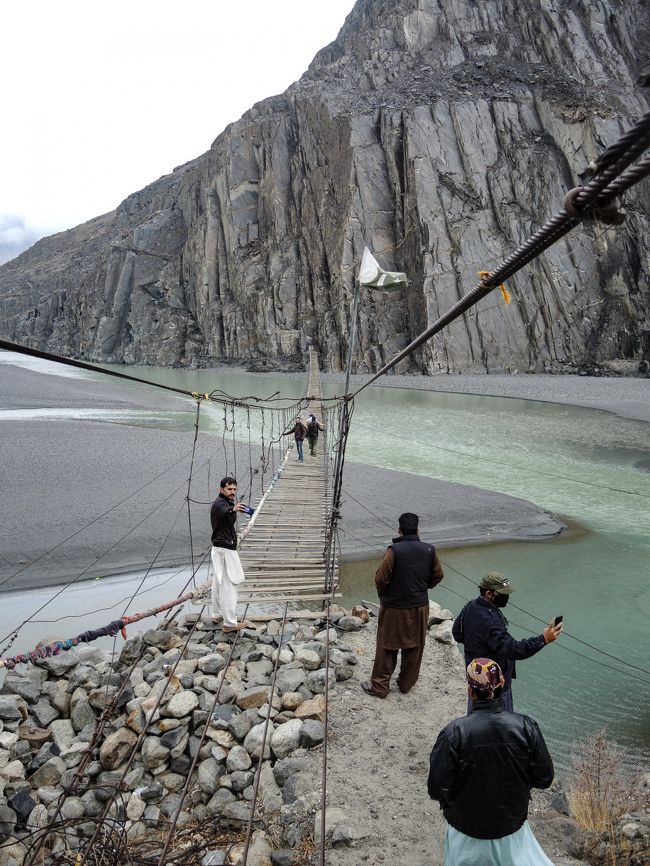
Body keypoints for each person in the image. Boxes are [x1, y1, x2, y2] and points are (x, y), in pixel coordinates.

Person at [428, 658, 555, 866]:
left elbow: (436, 789)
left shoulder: (453, 732)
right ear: (502, 683)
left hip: (465, 830)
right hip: (511, 828)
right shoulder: (526, 726)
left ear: (470, 691)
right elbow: (544, 779)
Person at [452, 571, 562, 711]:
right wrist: (543, 639)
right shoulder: (490, 621)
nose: (506, 597)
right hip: (495, 683)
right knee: (501, 724)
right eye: (502, 594)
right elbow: (513, 649)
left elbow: (457, 633)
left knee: (475, 718)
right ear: (489, 593)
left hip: (475, 677)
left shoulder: (470, 606)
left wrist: (477, 646)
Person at [361, 512, 443, 698]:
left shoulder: (394, 550)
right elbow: (438, 575)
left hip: (394, 607)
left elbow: (381, 578)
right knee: (415, 645)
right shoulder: (429, 550)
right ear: (418, 529)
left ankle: (380, 687)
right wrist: (424, 587)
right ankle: (406, 684)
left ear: (399, 529)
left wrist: (384, 594)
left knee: (387, 646)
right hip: (419, 607)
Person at [210, 476, 252, 633]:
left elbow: (225, 512)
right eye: (229, 489)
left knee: (218, 581)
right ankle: (229, 623)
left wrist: (234, 508)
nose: (232, 492)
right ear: (221, 489)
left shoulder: (226, 502)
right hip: (225, 549)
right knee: (230, 584)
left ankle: (216, 614)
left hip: (219, 548)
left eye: (234, 489)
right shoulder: (221, 504)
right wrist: (232, 509)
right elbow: (222, 511)